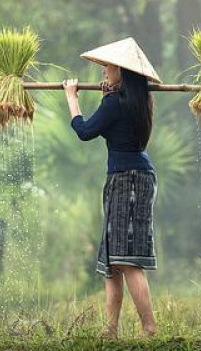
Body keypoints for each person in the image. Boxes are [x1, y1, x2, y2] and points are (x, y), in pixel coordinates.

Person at [62, 37, 162, 339]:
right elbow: (113, 117)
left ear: (121, 70)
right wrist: (108, 95)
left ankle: (149, 328)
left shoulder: (115, 104)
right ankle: (110, 330)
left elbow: (84, 131)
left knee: (126, 259)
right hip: (133, 176)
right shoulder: (137, 100)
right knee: (113, 260)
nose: (103, 71)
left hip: (127, 179)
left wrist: (72, 96)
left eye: (108, 66)